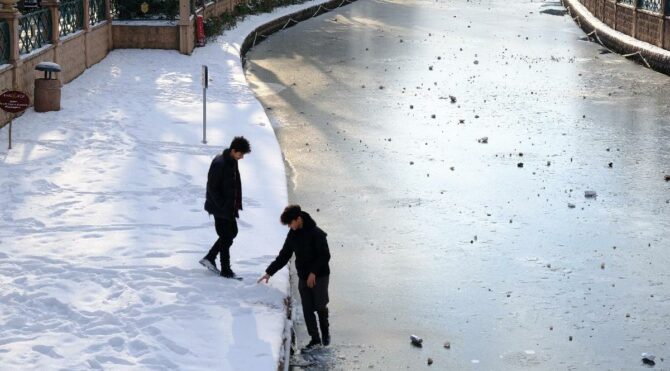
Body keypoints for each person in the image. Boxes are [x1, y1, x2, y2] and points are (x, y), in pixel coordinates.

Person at [258, 205, 331, 353]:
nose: (290, 227)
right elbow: (284, 255)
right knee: (307, 308)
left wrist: (313, 273)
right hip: (303, 276)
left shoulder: (317, 234)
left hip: (320, 276)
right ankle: (315, 339)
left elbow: (325, 256)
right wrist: (269, 272)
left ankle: (325, 333)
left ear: (298, 219)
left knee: (320, 305)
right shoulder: (293, 235)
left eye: (291, 223)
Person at [200, 136, 251, 279]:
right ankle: (225, 270)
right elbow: (212, 188)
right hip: (220, 208)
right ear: (233, 151)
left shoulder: (232, 161)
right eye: (241, 154)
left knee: (231, 233)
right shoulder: (220, 163)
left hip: (229, 207)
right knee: (226, 235)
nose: (242, 158)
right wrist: (223, 205)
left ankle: (210, 257)